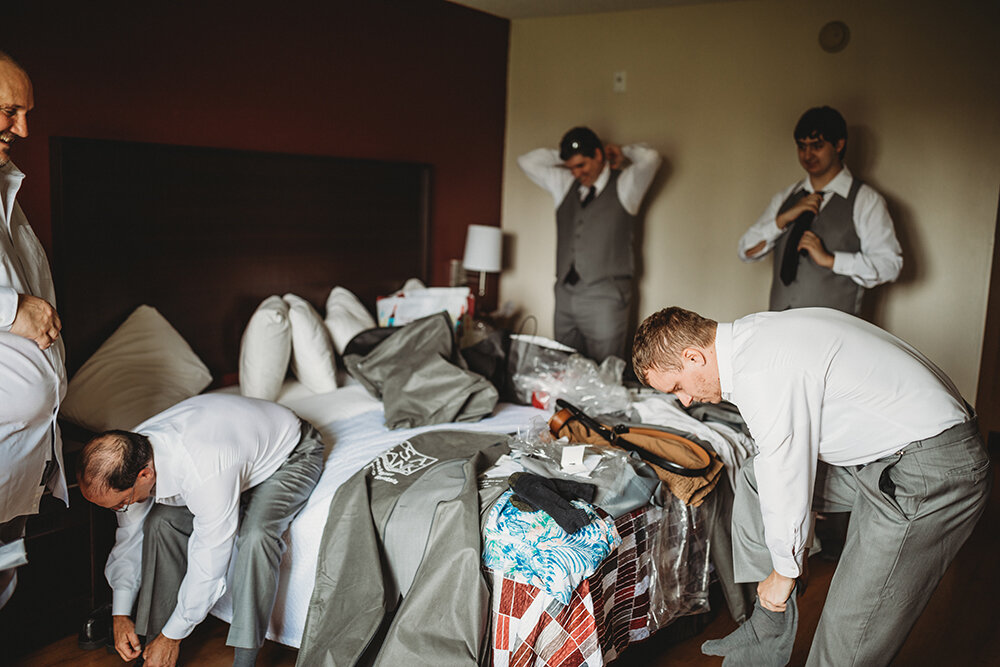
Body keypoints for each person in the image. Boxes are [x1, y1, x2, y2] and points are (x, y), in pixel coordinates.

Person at [632, 306, 991, 665]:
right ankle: (771, 621)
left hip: (929, 472)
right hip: (883, 454)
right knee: (754, 480)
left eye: (678, 387)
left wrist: (785, 570)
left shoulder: (760, 371)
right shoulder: (755, 334)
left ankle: (778, 597)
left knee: (849, 627)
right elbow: (777, 470)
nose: (685, 401)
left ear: (693, 357)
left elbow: (785, 469)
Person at [78, 394, 325, 667]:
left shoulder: (203, 470)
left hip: (290, 454)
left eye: (120, 503)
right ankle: (151, 649)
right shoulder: (130, 453)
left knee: (256, 538)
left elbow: (209, 564)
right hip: (233, 458)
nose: (121, 509)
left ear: (145, 476)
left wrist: (175, 637)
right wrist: (121, 613)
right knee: (159, 522)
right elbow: (129, 536)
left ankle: (245, 661)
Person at [0, 51, 68, 610]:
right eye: (8, 111)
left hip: (20, 452)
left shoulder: (7, 192)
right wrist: (8, 307)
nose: (22, 129)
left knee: (3, 579)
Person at [738, 106, 902, 316]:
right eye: (801, 146)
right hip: (779, 330)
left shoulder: (866, 200)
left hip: (834, 335)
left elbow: (890, 265)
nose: (807, 154)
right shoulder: (786, 198)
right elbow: (746, 251)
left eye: (817, 145)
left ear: (839, 144)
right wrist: (782, 220)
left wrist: (831, 260)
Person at [518, 126, 660, 362]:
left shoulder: (626, 185)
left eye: (581, 165)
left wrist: (621, 152)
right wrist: (564, 156)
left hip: (605, 296)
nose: (575, 173)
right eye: (570, 167)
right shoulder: (564, 184)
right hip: (564, 294)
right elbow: (526, 162)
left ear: (598, 155)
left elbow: (652, 158)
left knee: (606, 371)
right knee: (564, 367)